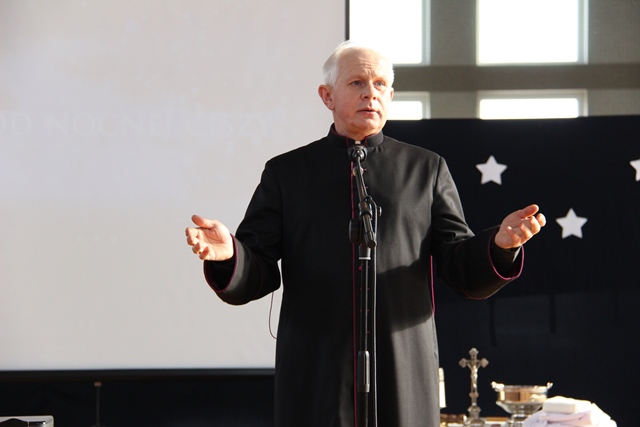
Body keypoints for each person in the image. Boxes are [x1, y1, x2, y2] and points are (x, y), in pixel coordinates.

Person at [185, 40, 546, 427]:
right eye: (356, 82)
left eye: (379, 84)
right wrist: (231, 254)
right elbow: (257, 267)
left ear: (390, 96)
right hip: (317, 365)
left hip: (402, 363)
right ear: (327, 96)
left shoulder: (425, 169)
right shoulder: (287, 173)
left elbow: (458, 265)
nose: (370, 93)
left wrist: (499, 246)